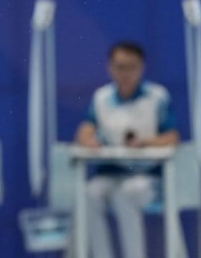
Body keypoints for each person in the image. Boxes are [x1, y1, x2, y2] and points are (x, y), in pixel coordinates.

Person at [74, 42, 179, 258]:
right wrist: (88, 141)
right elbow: (85, 130)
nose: (126, 73)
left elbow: (172, 137)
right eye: (120, 67)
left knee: (125, 195)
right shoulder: (101, 98)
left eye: (131, 67)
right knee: (88, 195)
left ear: (141, 67)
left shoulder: (157, 96)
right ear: (110, 67)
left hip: (148, 177)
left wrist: (145, 142)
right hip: (110, 173)